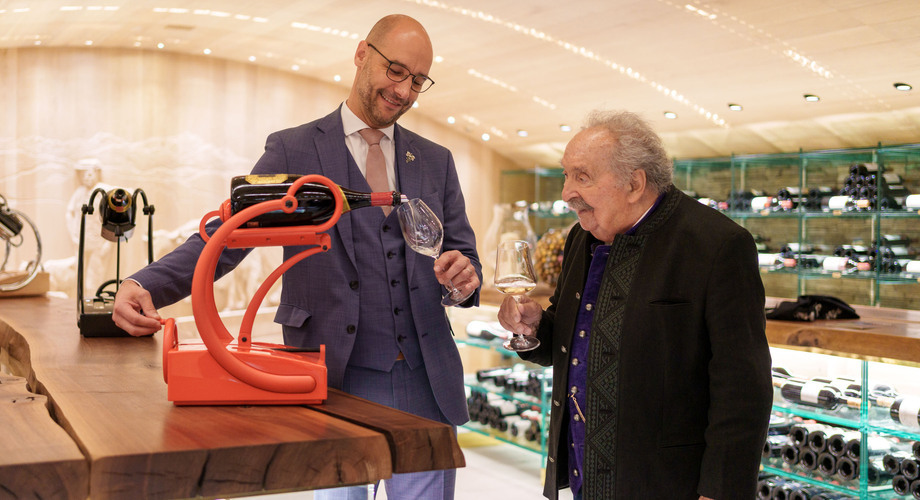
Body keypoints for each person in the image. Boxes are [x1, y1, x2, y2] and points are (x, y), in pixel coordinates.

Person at [112, 14, 481, 500]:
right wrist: (147, 283)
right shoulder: (292, 148)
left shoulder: (436, 160)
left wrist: (464, 278)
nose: (405, 90)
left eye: (417, 81)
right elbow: (228, 234)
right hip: (331, 371)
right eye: (396, 70)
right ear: (361, 54)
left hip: (425, 379)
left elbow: (462, 255)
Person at [497, 110, 772, 500]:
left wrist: (720, 493)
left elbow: (744, 389)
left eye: (582, 176)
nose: (566, 192)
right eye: (566, 174)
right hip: (583, 476)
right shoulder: (581, 238)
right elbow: (571, 343)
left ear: (634, 183)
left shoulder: (718, 245)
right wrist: (535, 326)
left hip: (668, 484)